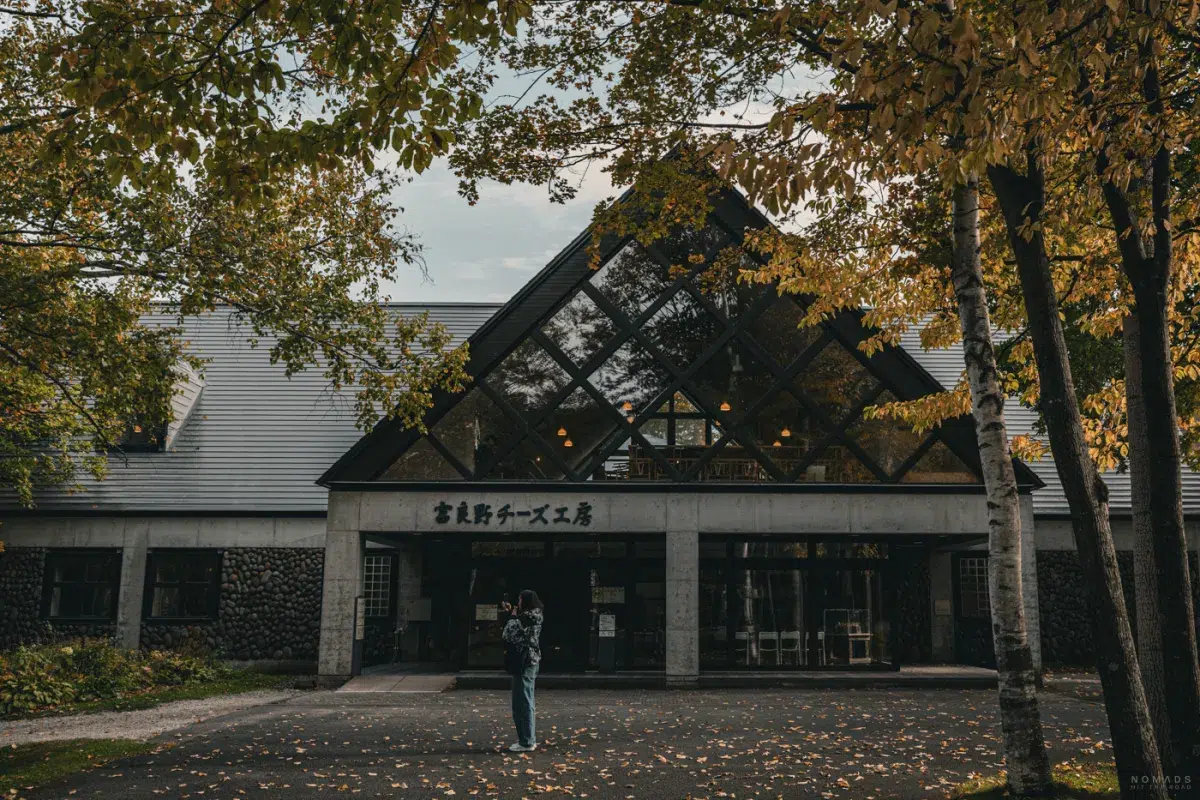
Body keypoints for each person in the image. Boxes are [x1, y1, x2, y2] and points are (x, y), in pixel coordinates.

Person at [501, 589, 543, 752]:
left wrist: (512, 615)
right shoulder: (535, 615)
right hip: (531, 660)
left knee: (522, 702)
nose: (517, 603)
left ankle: (526, 741)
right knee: (525, 700)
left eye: (519, 600)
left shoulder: (527, 618)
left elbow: (508, 633)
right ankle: (527, 738)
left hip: (523, 660)